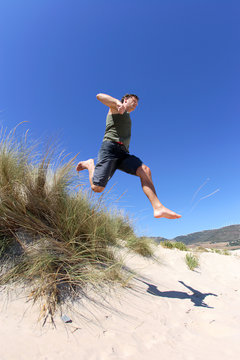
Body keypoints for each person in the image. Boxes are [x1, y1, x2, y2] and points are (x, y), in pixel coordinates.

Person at [76, 93, 181, 219]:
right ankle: (89, 164)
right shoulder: (115, 108)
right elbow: (99, 96)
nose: (136, 104)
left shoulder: (128, 116)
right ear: (125, 99)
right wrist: (117, 103)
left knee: (145, 170)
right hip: (110, 149)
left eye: (137, 103)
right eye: (134, 100)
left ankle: (158, 208)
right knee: (97, 188)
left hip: (123, 153)